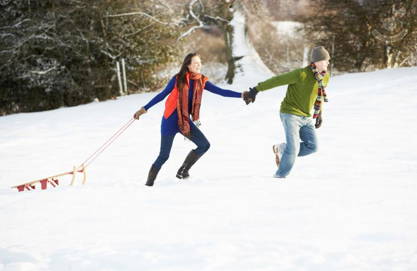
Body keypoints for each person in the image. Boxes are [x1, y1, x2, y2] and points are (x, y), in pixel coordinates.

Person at [133, 53, 247, 186]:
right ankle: (149, 184)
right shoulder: (177, 79)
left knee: (204, 145)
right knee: (164, 156)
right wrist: (144, 109)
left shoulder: (201, 81)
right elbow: (162, 95)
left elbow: (221, 92)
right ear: (188, 65)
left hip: (185, 122)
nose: (199, 65)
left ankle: (183, 171)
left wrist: (241, 95)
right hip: (170, 120)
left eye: (200, 62)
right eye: (195, 63)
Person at [243, 46, 331, 178]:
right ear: (317, 62)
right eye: (326, 60)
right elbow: (277, 80)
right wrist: (255, 90)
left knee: (312, 147)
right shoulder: (300, 74)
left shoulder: (325, 77)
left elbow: (319, 95)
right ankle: (280, 176)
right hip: (290, 113)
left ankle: (282, 149)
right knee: (293, 148)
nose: (328, 63)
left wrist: (319, 113)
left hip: (306, 117)